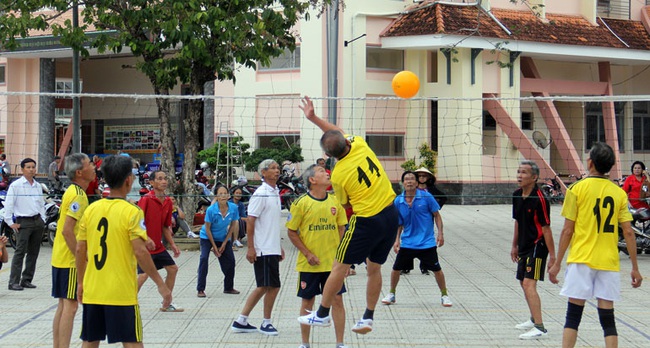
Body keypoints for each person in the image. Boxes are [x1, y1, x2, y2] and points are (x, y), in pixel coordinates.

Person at [298, 96, 398, 335]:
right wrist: (313, 118)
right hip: (391, 214)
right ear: (346, 141)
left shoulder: (340, 174)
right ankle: (368, 317)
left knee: (338, 266)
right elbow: (336, 131)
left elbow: (346, 204)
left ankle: (322, 315)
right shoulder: (360, 143)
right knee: (374, 268)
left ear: (327, 154)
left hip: (367, 221)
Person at [548, 142, 643, 348]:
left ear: (590, 162)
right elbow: (628, 232)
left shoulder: (576, 189)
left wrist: (556, 263)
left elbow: (567, 230)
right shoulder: (618, 192)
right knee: (608, 318)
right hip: (608, 261)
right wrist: (634, 267)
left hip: (581, 259)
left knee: (573, 316)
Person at [75, 155, 172, 347]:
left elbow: (80, 249)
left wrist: (80, 282)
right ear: (128, 179)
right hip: (120, 292)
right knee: (132, 341)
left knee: (90, 340)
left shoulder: (92, 209)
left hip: (94, 288)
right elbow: (140, 252)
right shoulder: (131, 211)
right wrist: (161, 284)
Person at [287, 164, 348, 348]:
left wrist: (342, 257)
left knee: (337, 300)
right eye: (321, 172)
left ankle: (340, 343)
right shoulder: (300, 203)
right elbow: (291, 232)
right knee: (308, 300)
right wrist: (307, 253)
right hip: (310, 264)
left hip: (332, 265)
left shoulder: (335, 202)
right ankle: (305, 343)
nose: (326, 173)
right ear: (312, 180)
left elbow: (341, 227)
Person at [381, 171, 452, 307]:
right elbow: (398, 223)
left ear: (417, 182)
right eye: (406, 179)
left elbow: (436, 215)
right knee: (396, 269)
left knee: (437, 270)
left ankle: (444, 295)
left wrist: (440, 234)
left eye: (412, 179)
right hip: (408, 243)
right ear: (403, 183)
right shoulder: (398, 201)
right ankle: (391, 293)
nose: (409, 181)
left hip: (427, 243)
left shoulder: (426, 197)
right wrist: (396, 240)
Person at [231, 159, 284, 336]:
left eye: (278, 168)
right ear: (263, 172)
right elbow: (251, 221)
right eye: (273, 168)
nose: (277, 171)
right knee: (269, 286)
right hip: (263, 248)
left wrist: (279, 246)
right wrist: (251, 248)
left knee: (266, 286)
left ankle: (241, 320)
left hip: (272, 247)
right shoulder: (261, 193)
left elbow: (272, 224)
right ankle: (265, 322)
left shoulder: (275, 191)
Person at [51, 153, 95, 348]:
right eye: (89, 164)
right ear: (79, 172)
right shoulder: (78, 194)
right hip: (69, 260)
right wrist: (81, 258)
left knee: (63, 305)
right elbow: (68, 230)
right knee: (71, 306)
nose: (93, 167)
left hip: (60, 257)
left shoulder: (72, 190)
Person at [511, 160, 556, 340]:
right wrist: (514, 245)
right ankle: (533, 319)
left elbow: (546, 229)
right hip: (523, 245)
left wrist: (553, 257)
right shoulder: (516, 195)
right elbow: (517, 222)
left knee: (529, 284)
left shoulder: (540, 199)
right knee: (523, 282)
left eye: (524, 172)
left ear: (534, 177)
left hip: (539, 246)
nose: (519, 175)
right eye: (518, 171)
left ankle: (540, 327)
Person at [136, 170, 183, 312]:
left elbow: (165, 226)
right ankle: (128, 303)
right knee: (143, 275)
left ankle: (166, 303)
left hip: (158, 246)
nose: (164, 181)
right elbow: (137, 221)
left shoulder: (168, 201)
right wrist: (145, 238)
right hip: (144, 246)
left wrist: (173, 244)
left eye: (165, 178)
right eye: (160, 178)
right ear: (151, 182)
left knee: (173, 269)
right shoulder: (146, 199)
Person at [5, 158, 45, 291]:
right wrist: (10, 222)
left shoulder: (38, 185)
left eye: (33, 167)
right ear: (22, 169)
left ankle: (26, 279)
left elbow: (41, 204)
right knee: (20, 252)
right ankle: (13, 282)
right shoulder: (16, 185)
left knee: (34, 252)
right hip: (23, 222)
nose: (31, 169)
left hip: (37, 221)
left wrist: (42, 219)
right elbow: (9, 205)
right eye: (28, 167)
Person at [197, 185, 240, 298]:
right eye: (220, 194)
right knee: (204, 258)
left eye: (225, 193)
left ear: (228, 195)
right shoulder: (211, 210)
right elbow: (207, 228)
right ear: (216, 196)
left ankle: (228, 287)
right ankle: (200, 289)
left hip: (223, 237)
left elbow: (233, 225)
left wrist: (226, 242)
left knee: (230, 261)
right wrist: (214, 247)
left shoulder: (233, 208)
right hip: (207, 237)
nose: (223, 196)